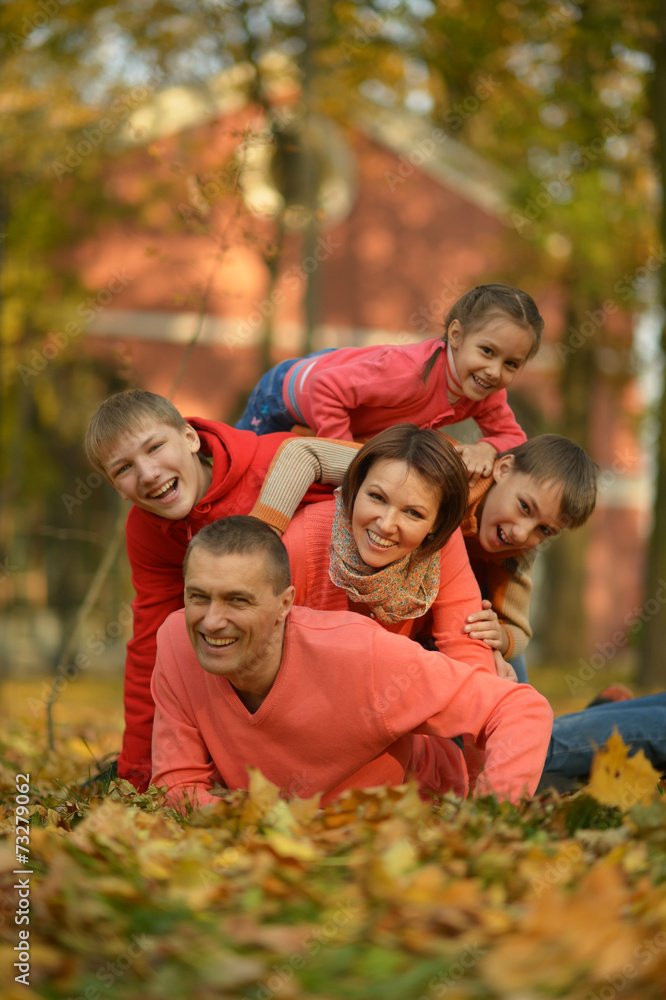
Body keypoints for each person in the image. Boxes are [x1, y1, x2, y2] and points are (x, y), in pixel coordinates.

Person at [274, 427, 666, 783]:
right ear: (503, 470)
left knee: (517, 736)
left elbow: (512, 629)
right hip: (429, 628)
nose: (522, 532)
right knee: (517, 743)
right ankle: (607, 718)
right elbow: (338, 459)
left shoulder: (514, 555)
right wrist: (264, 531)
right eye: (525, 507)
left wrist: (500, 643)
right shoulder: (444, 471)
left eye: (544, 530)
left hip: (464, 624)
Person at [150, 517, 554, 809]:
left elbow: (519, 708)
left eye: (238, 600)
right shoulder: (176, 643)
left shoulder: (361, 655)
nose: (212, 621)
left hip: (418, 819)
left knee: (560, 770)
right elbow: (178, 785)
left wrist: (485, 824)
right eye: (198, 597)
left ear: (284, 604)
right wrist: (262, 826)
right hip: (304, 845)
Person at [85, 388, 364, 790]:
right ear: (117, 488)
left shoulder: (273, 461)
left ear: (190, 438)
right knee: (179, 630)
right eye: (124, 469)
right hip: (267, 658)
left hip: (365, 618)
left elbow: (389, 474)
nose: (147, 473)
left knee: (290, 544)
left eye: (155, 447)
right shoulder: (147, 529)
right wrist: (136, 772)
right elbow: (151, 642)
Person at [235, 283, 544, 485]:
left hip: (343, 385)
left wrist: (487, 448)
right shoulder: (408, 372)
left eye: (511, 364)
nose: (494, 371)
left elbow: (513, 437)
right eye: (487, 351)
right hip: (286, 391)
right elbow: (324, 387)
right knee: (240, 463)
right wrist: (347, 458)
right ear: (456, 335)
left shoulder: (486, 391)